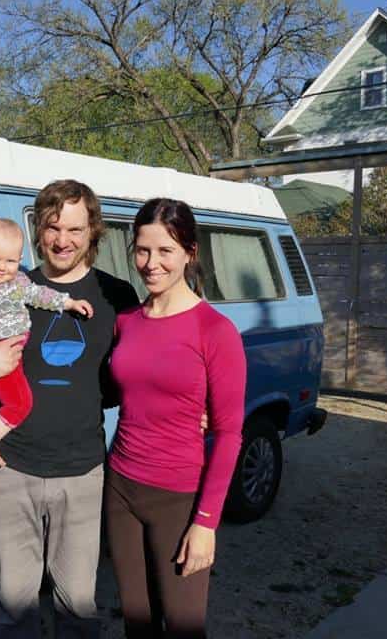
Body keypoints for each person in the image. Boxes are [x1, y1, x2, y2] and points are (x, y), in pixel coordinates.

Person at [0, 179, 139, 639]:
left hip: (81, 472)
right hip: (9, 469)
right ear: (38, 229)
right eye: (54, 227)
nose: (63, 239)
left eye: (75, 228)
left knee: (77, 608)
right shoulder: (5, 285)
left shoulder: (118, 297)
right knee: (13, 609)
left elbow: (145, 370)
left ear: (93, 231)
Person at [104, 198, 246, 638]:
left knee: (184, 628)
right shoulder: (126, 320)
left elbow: (228, 435)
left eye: (165, 251)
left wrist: (206, 524)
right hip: (121, 488)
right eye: (143, 250)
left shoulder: (215, 331)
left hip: (178, 500)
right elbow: (116, 390)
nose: (151, 264)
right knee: (137, 623)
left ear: (190, 252)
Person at [0, 218, 94, 467]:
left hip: (12, 350)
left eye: (11, 261)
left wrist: (68, 303)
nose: (2, 268)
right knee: (20, 403)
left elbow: (40, 295)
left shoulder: (20, 282)